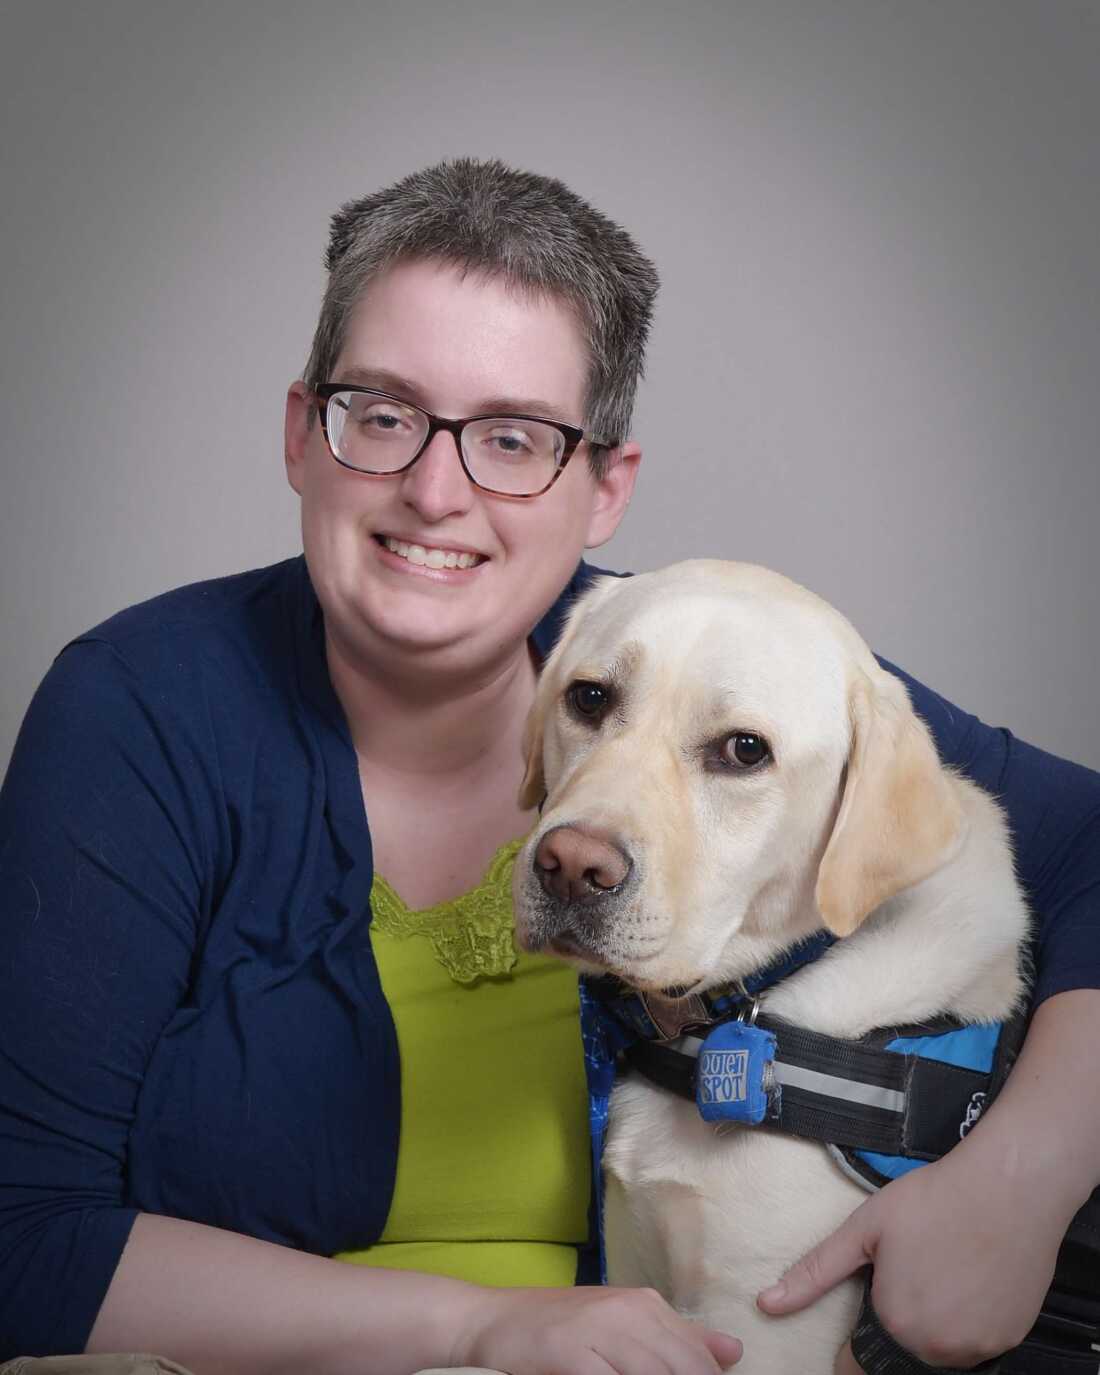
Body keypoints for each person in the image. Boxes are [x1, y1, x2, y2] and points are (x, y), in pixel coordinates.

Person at [0, 157, 1096, 1375]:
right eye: (381, 414)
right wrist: (478, 1327)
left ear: (602, 490)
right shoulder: (143, 710)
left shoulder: (681, 648)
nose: (432, 490)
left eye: (512, 439)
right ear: (301, 435)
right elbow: (20, 1242)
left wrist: (1024, 1170)